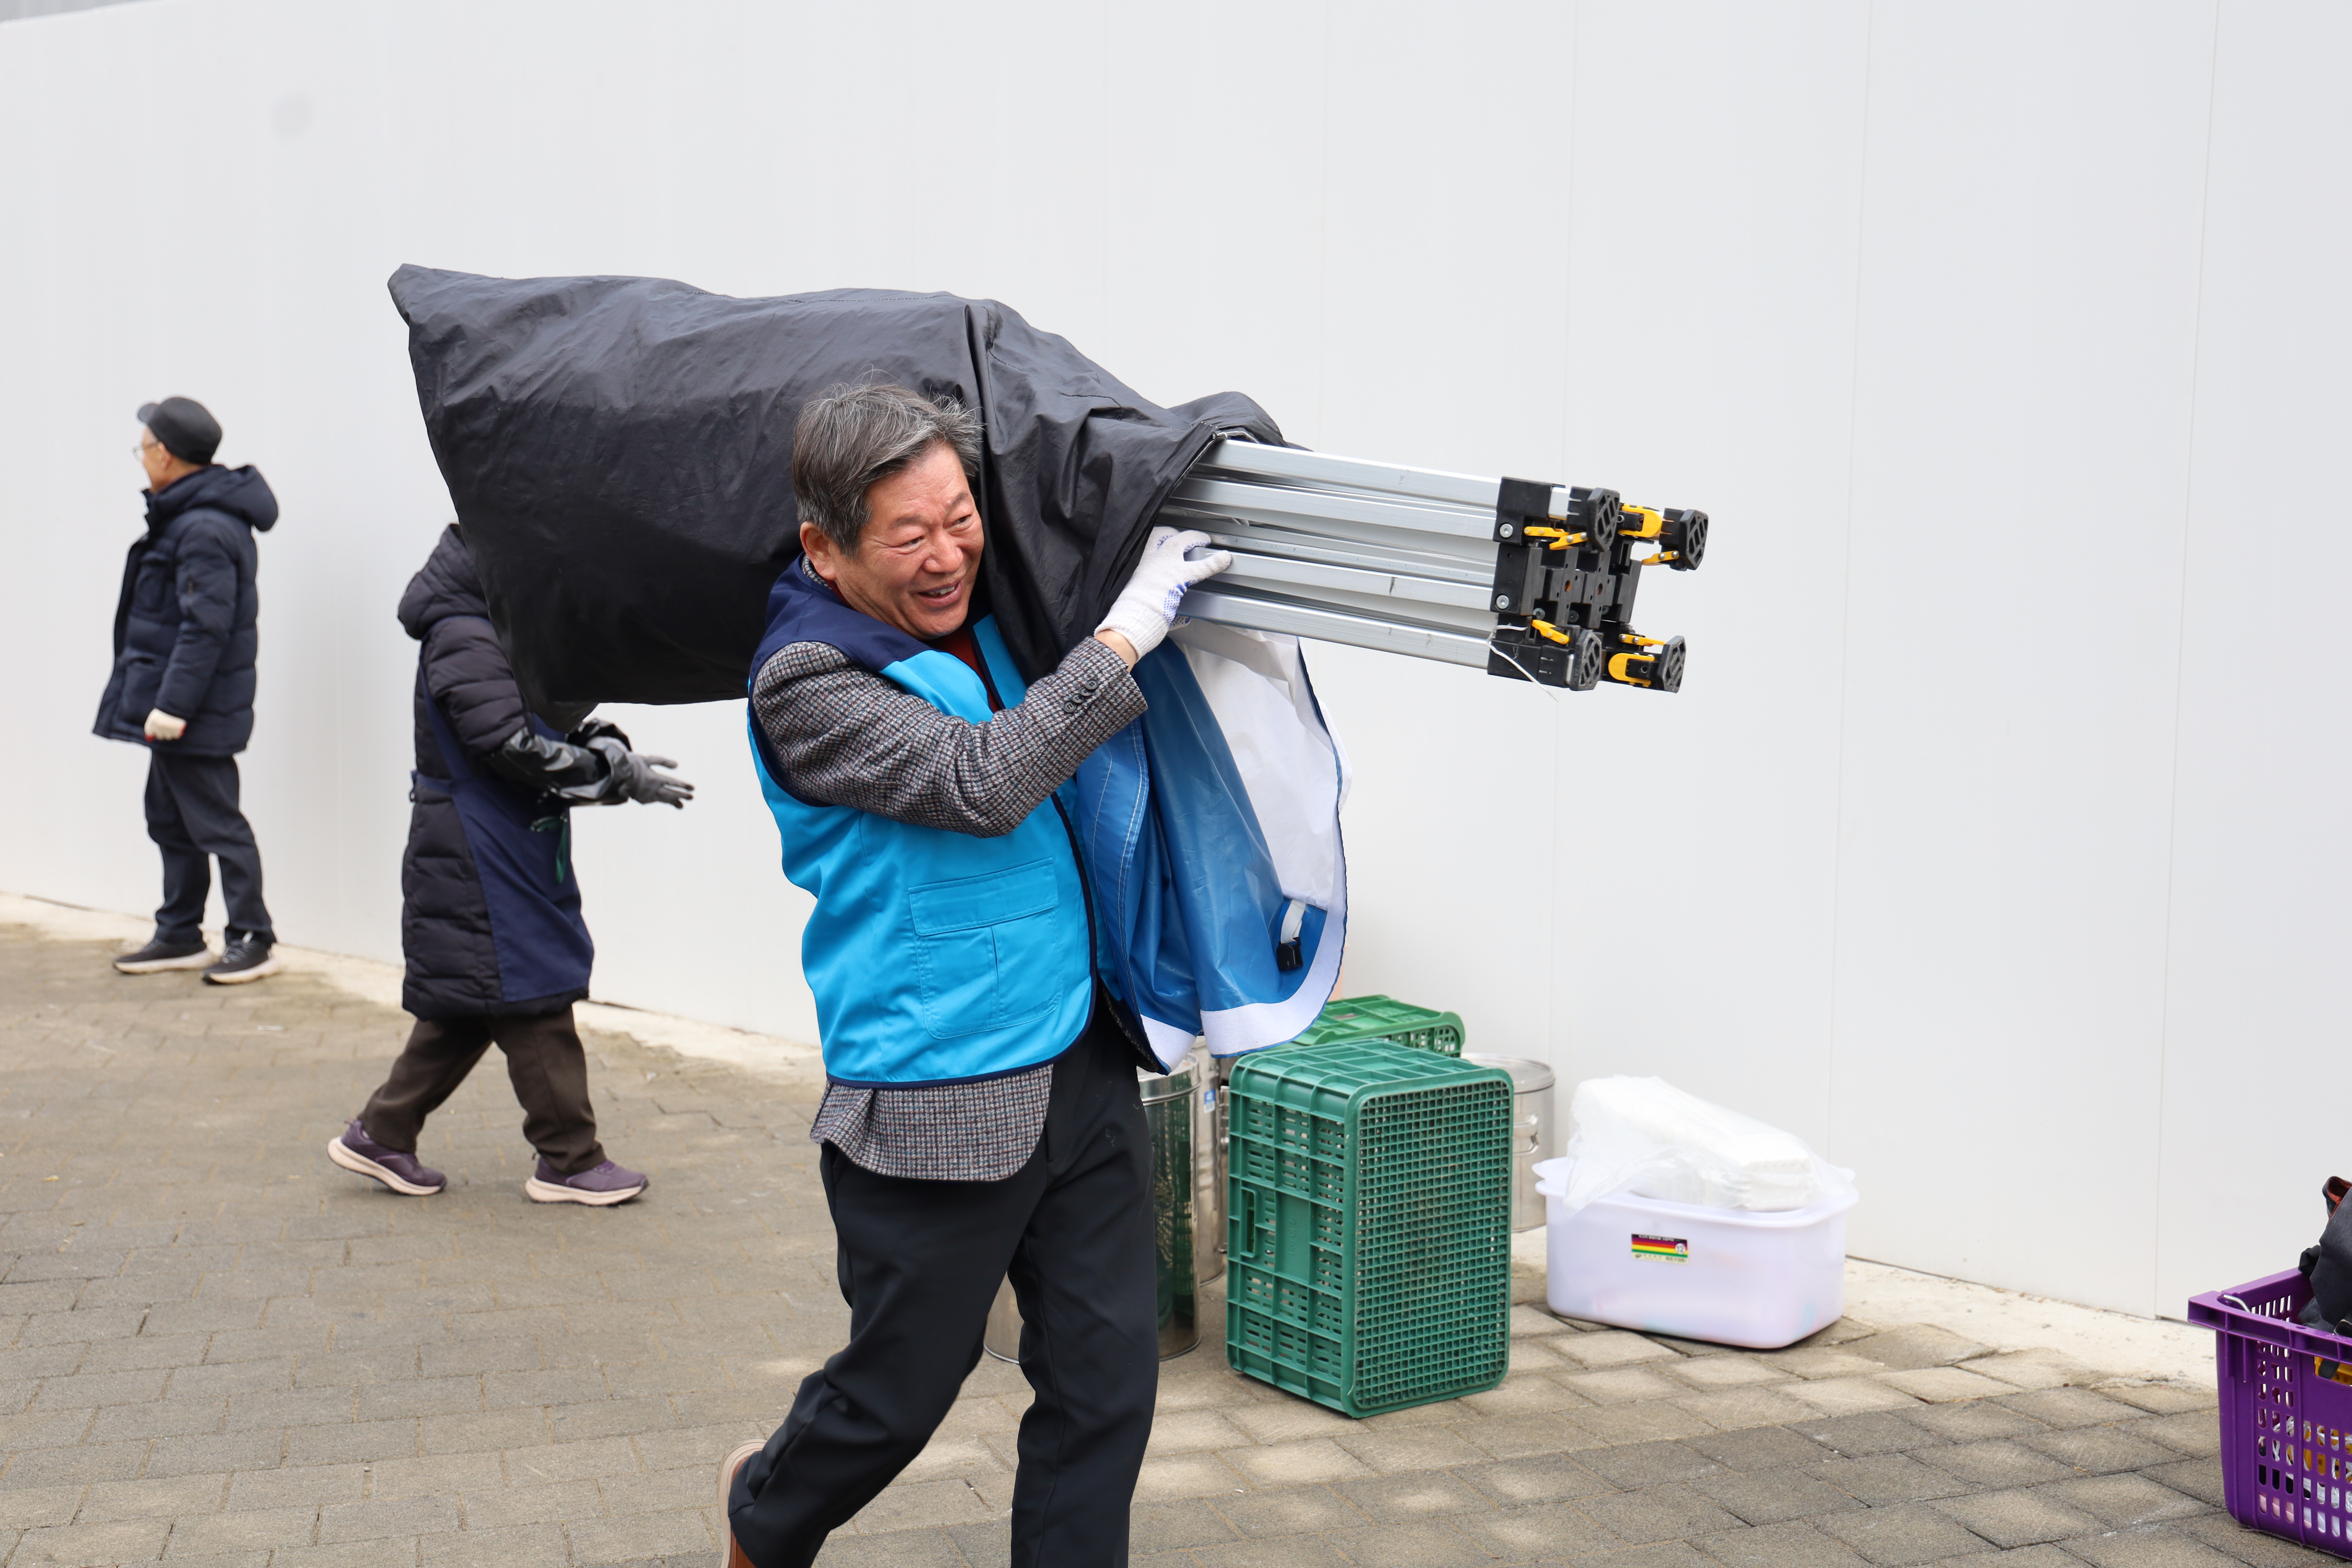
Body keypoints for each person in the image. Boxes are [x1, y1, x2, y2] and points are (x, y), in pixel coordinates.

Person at [717, 383, 1231, 1568]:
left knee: (1107, 1380)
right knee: (901, 1391)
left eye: (961, 519)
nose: (949, 556)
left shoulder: (999, 611)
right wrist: (1125, 635)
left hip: (1078, 1052)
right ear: (825, 549)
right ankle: (764, 1512)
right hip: (938, 1081)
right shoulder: (806, 682)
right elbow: (980, 779)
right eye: (910, 536)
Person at [326, 526, 694, 1206]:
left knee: (478, 995)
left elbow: (550, 720)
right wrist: (613, 776)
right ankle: (570, 1160)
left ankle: (381, 1133)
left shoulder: (501, 625)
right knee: (531, 992)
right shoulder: (463, 634)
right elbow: (510, 744)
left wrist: (608, 750)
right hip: (475, 845)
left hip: (504, 838)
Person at [99, 398, 284, 984]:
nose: (141, 459)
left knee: (217, 824)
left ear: (166, 456)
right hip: (178, 709)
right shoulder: (187, 517)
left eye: (143, 449)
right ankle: (180, 932)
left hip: (193, 710)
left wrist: (173, 706)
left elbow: (206, 628)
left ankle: (254, 938)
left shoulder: (204, 528)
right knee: (169, 819)